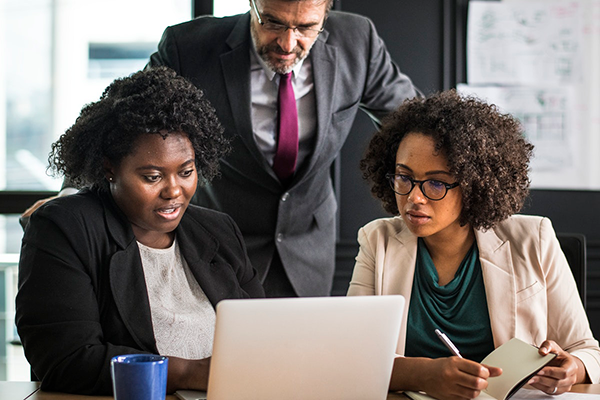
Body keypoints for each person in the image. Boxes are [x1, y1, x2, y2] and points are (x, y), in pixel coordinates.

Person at [15, 67, 265, 396]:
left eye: (186, 171)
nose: (174, 190)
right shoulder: (64, 227)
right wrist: (191, 372)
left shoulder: (217, 230)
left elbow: (263, 338)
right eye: (152, 177)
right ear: (109, 169)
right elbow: (67, 360)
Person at [146, 0, 418, 297]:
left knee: (304, 343)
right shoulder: (187, 47)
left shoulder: (357, 40)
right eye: (273, 23)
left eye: (305, 27)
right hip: (216, 243)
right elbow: (134, 128)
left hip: (308, 245)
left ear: (326, 13)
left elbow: (414, 124)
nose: (288, 43)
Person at [347, 90, 600, 399]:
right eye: (404, 177)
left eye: (436, 183)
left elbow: (587, 350)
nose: (414, 197)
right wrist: (423, 375)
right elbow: (353, 358)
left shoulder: (534, 238)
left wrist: (571, 367)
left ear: (473, 185)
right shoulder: (377, 241)